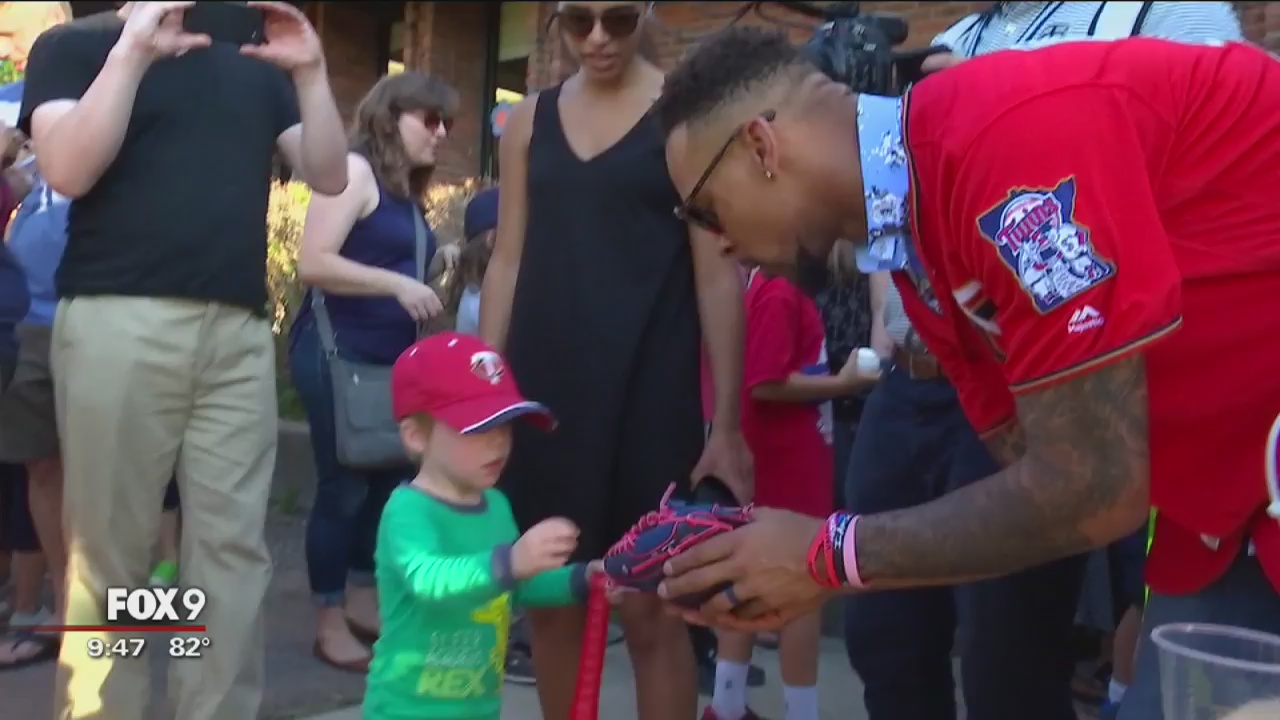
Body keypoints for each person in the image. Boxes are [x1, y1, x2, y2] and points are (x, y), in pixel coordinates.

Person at [652, 26, 1280, 720]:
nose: (718, 243)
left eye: (705, 211)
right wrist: (806, 561)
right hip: (1233, 507)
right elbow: (1030, 467)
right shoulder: (920, 235)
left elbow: (1096, 489)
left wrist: (826, 555)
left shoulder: (1001, 144)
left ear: (762, 148)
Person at [844, 4, 1245, 719]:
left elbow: (1208, 177)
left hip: (1063, 372)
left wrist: (985, 112)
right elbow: (890, 202)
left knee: (1008, 649)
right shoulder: (951, 37)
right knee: (884, 638)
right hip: (924, 369)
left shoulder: (1159, 10)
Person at [19, 2, 348, 717]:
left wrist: (315, 73)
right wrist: (133, 50)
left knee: (232, 557)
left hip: (235, 333)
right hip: (117, 319)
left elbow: (327, 174)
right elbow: (69, 169)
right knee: (114, 559)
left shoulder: (257, 52)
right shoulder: (77, 45)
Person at [479, 3, 751, 718]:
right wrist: (484, 391)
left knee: (654, 609)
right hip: (546, 397)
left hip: (649, 391)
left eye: (618, 18)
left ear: (647, 13)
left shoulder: (684, 119)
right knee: (553, 601)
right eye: (578, 20)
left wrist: (725, 423)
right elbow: (507, 260)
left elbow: (716, 273)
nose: (597, 38)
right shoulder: (528, 122)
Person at [289, 70, 458, 674]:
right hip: (338, 355)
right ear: (391, 117)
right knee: (344, 488)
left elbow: (386, 258)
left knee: (385, 483)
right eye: (429, 119)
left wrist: (439, 259)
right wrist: (397, 282)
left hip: (385, 361)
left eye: (447, 123)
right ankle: (328, 620)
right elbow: (315, 261)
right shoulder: (355, 172)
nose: (441, 133)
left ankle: (362, 599)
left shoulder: (403, 190)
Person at [364, 330, 597, 720]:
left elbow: (518, 585)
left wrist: (585, 578)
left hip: (479, 708)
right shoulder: (408, 511)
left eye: (505, 427)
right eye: (477, 429)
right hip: (405, 711)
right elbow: (429, 581)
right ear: (416, 435)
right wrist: (513, 560)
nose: (498, 444)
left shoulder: (495, 505)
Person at [707, 266, 877, 720]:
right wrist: (843, 384)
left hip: (766, 457)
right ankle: (800, 711)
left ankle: (726, 704)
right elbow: (765, 383)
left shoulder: (751, 291)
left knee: (742, 580)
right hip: (788, 461)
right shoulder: (780, 294)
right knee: (807, 589)